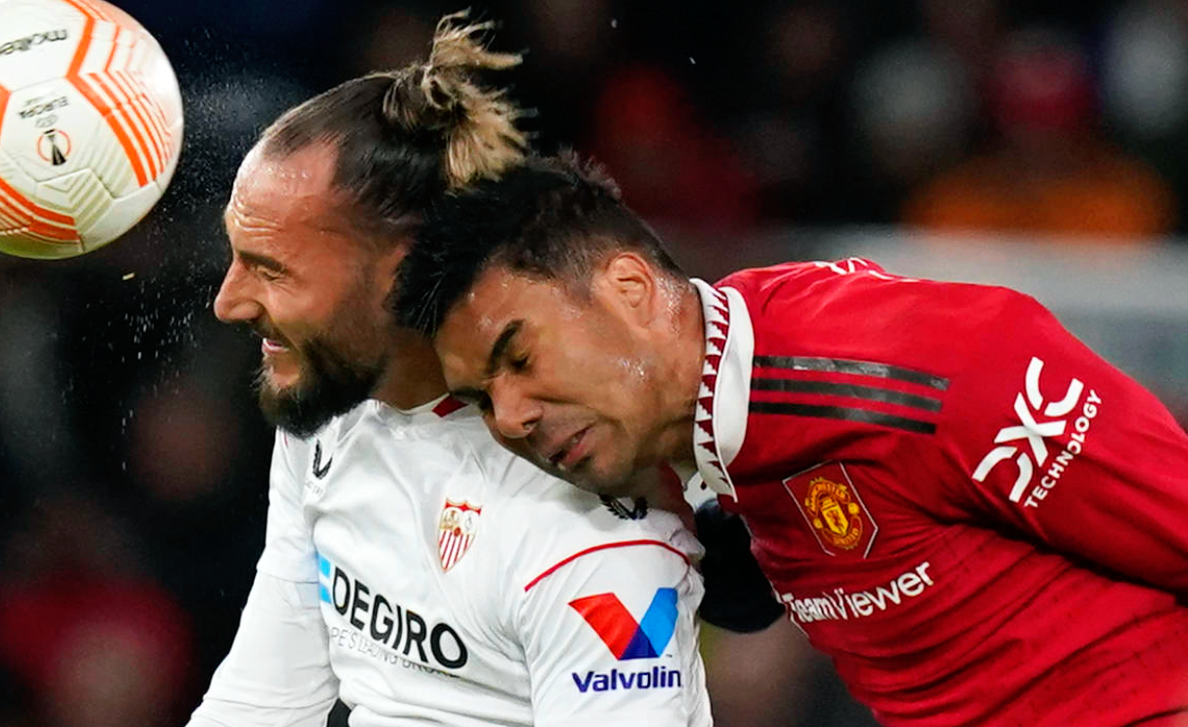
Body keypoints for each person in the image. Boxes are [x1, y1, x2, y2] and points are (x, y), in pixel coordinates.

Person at [391, 154, 1188, 727]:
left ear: (630, 290)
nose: (510, 418)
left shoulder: (916, 375)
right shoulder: (709, 426)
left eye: (520, 359)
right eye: (482, 398)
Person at [186, 15, 718, 727]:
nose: (229, 302)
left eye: (272, 270)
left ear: (400, 274)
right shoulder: (332, 414)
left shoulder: (589, 526)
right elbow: (262, 702)